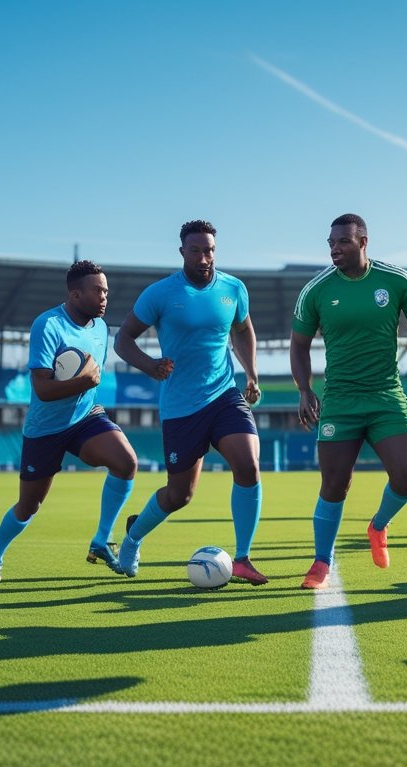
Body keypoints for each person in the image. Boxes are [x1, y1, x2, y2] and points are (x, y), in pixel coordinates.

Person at [112, 220, 267, 585]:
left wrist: (252, 374)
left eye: (209, 250)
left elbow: (243, 330)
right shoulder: (160, 293)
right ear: (182, 251)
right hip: (181, 406)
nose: (203, 257)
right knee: (180, 495)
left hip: (224, 395)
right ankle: (133, 536)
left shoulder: (233, 288)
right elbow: (123, 339)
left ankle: (243, 558)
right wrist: (150, 365)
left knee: (248, 465)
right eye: (195, 250)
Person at [291, 213, 407, 589]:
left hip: (386, 395)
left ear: (363, 242)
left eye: (343, 241)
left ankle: (378, 526)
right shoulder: (317, 290)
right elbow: (299, 344)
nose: (335, 249)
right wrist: (304, 389)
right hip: (340, 400)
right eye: (331, 243)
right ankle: (321, 563)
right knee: (334, 483)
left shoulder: (397, 280)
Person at [0, 260, 137, 584]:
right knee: (29, 506)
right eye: (97, 291)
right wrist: (84, 382)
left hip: (85, 417)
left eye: (106, 291)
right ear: (76, 294)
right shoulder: (48, 325)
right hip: (46, 429)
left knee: (126, 463)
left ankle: (102, 540)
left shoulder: (102, 329)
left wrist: (87, 389)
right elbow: (43, 389)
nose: (104, 297)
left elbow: (90, 379)